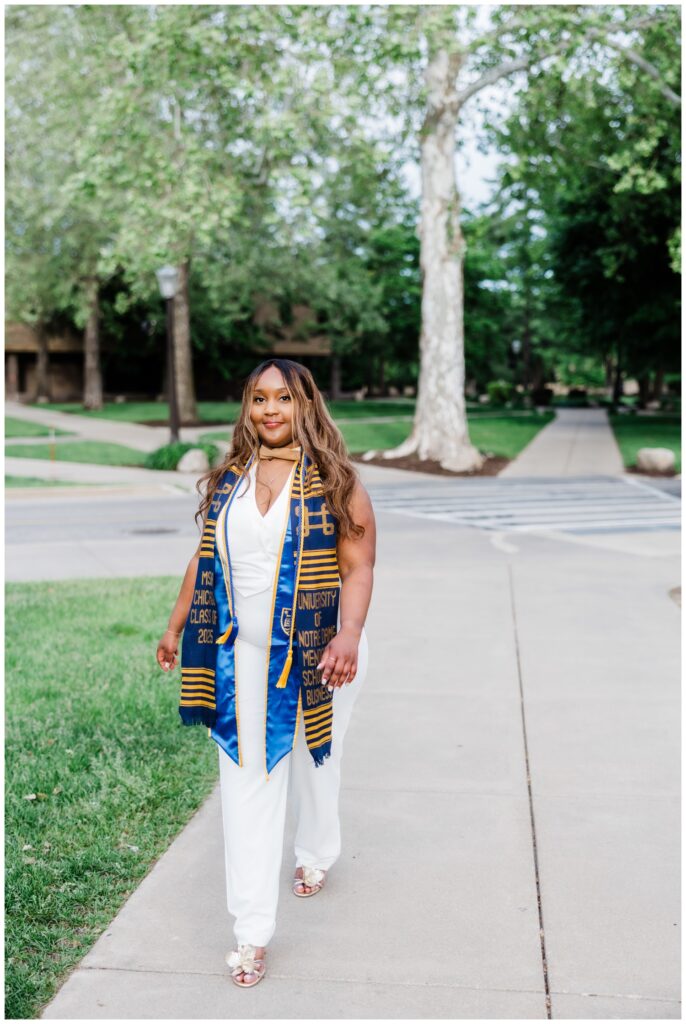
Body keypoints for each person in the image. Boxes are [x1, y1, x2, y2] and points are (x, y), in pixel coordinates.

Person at [156, 359, 376, 988]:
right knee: (248, 786)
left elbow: (358, 567)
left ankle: (315, 852)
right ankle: (251, 935)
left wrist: (349, 634)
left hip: (323, 654)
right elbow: (205, 565)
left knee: (315, 761)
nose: (270, 410)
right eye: (259, 398)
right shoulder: (227, 480)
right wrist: (174, 627)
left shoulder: (338, 482)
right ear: (247, 407)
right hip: (244, 658)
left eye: (283, 398)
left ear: (306, 405)